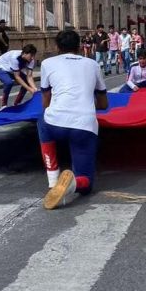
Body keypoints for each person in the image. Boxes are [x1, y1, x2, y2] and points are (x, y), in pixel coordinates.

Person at [38, 29, 108, 209]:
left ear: (57, 47)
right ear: (79, 46)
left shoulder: (47, 63)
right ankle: (74, 184)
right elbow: (103, 103)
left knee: (42, 121)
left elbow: (45, 100)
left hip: (54, 124)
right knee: (86, 182)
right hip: (83, 126)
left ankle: (53, 179)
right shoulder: (93, 64)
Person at [0, 44, 39, 109]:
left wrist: (34, 88)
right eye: (31, 55)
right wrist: (29, 89)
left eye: (34, 55)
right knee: (8, 82)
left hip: (11, 70)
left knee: (26, 81)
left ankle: (17, 103)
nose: (32, 58)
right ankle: (4, 105)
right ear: (25, 53)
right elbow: (17, 77)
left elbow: (29, 76)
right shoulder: (15, 58)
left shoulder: (31, 60)